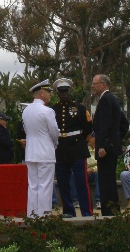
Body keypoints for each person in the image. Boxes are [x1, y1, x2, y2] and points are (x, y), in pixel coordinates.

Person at [51, 77, 94, 218]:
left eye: (66, 91)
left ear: (70, 92)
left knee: (81, 181)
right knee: (63, 183)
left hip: (77, 148)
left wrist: (83, 142)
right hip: (60, 149)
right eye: (61, 92)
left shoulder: (80, 108)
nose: (64, 94)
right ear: (57, 93)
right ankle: (68, 210)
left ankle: (86, 211)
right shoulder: (53, 110)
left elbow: (88, 128)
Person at [91, 74, 129, 216]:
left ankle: (109, 213)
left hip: (105, 150)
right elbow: (124, 124)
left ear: (104, 85)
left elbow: (104, 125)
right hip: (110, 148)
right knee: (109, 181)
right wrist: (116, 141)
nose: (92, 87)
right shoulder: (111, 99)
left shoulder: (106, 100)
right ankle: (113, 211)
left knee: (106, 183)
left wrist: (104, 146)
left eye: (95, 84)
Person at [22, 80, 60, 217]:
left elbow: (26, 130)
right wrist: (54, 144)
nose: (50, 95)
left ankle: (32, 215)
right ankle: (44, 216)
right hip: (45, 152)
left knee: (33, 186)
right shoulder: (47, 111)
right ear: (42, 93)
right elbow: (54, 132)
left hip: (31, 152)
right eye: (48, 92)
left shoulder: (26, 110)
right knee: (45, 186)